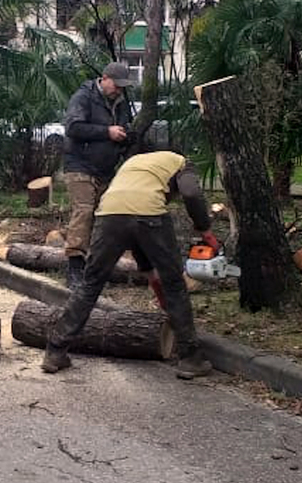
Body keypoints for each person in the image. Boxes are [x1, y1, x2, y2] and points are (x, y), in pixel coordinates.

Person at [41, 151, 220, 380]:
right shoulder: (181, 162)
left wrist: (155, 284)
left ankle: (55, 351)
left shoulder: (134, 164)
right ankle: (190, 359)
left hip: (109, 215)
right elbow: (191, 192)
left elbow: (135, 234)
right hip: (150, 215)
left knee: (89, 285)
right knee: (175, 284)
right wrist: (205, 229)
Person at [61, 61, 135, 289]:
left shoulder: (121, 103)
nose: (119, 90)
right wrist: (107, 132)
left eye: (123, 87)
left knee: (106, 216)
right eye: (116, 85)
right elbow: (73, 128)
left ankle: (96, 266)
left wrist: (126, 135)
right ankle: (74, 268)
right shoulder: (83, 97)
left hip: (106, 169)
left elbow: (125, 126)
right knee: (83, 212)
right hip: (80, 165)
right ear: (104, 79)